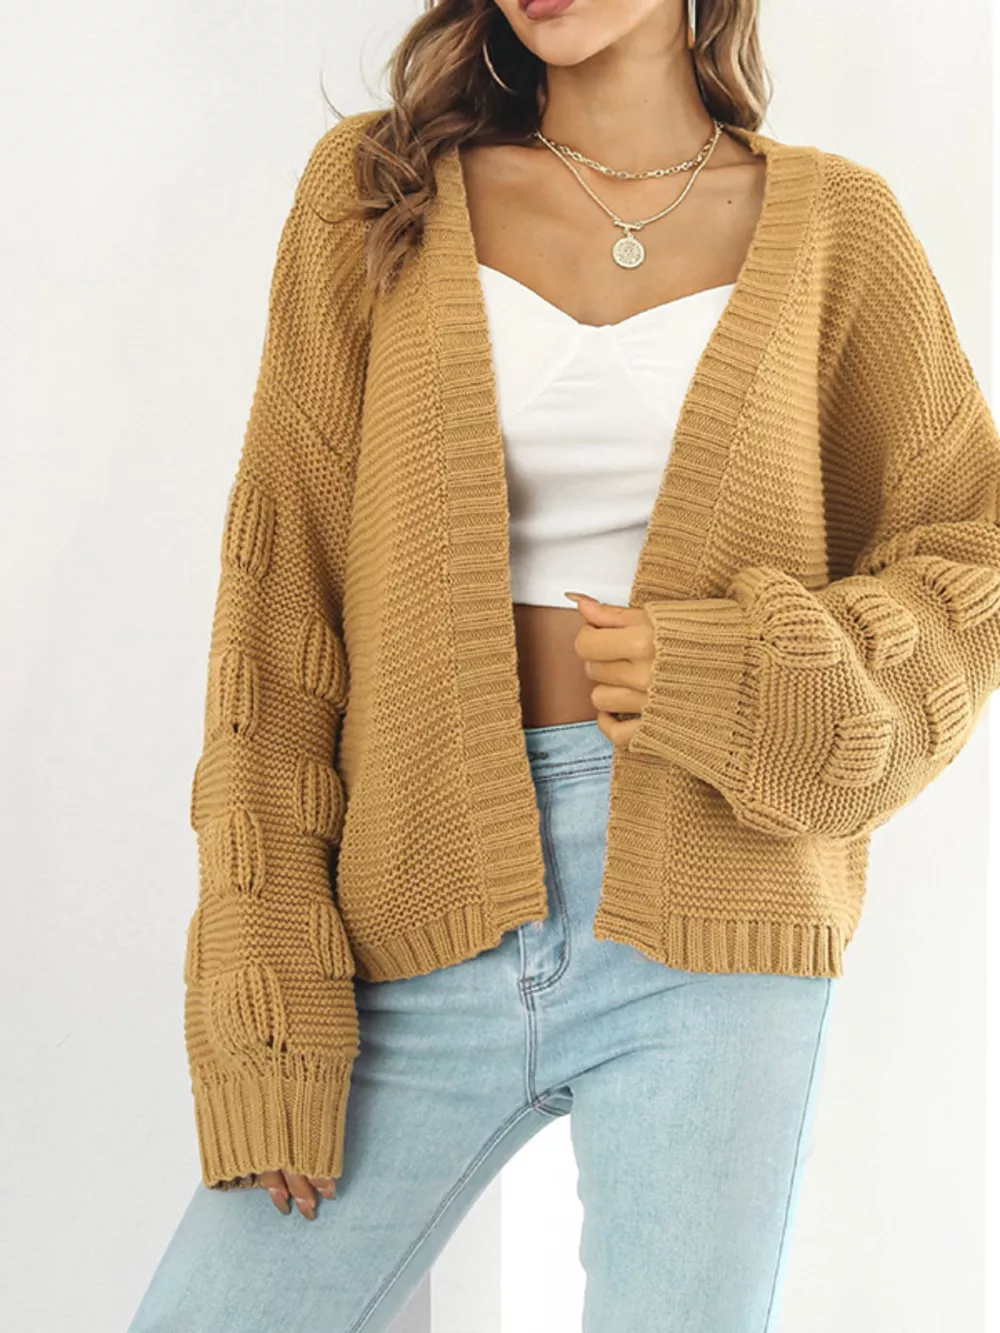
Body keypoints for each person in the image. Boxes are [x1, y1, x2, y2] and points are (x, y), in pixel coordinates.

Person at [127, 0, 1000, 1329]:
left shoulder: (840, 228)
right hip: (413, 889)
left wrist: (744, 675)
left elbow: (969, 557)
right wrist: (267, 998)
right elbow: (278, 604)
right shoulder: (377, 196)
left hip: (717, 915)